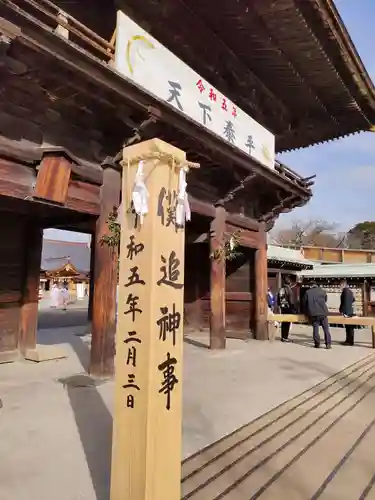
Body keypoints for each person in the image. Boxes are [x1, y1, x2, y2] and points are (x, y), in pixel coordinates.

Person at [303, 280, 332, 349]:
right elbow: (325, 299)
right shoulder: (322, 291)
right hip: (323, 312)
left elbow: (304, 303)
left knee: (315, 329)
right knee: (326, 329)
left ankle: (317, 344)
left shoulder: (307, 292)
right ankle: (328, 344)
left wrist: (306, 312)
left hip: (313, 314)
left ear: (310, 285)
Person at [277, 277, 296, 342]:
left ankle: (283, 337)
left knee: (284, 322)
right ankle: (285, 337)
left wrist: (280, 306)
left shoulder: (281, 289)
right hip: (287, 308)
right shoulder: (288, 289)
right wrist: (292, 307)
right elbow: (291, 300)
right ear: (289, 283)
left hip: (283, 307)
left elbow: (278, 300)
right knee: (287, 323)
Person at [339, 279, 355, 346]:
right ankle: (350, 340)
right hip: (350, 310)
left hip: (346, 311)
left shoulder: (344, 291)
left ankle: (349, 341)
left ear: (343, 284)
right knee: (350, 327)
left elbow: (344, 302)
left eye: (340, 285)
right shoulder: (350, 291)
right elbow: (353, 299)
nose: (340, 287)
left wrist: (342, 310)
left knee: (348, 327)